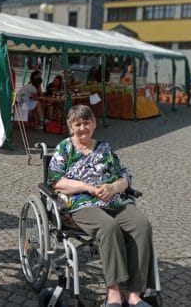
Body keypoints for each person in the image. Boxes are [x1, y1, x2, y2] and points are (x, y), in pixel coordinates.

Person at [48, 104, 154, 307]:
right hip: (81, 202)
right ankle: (113, 292)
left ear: (94, 124)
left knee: (142, 226)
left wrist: (114, 187)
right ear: (71, 127)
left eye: (86, 122)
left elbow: (126, 177)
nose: (82, 128)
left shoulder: (105, 148)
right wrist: (88, 187)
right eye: (77, 124)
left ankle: (134, 294)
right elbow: (55, 182)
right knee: (108, 227)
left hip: (113, 199)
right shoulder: (64, 148)